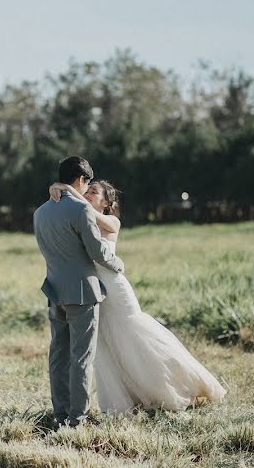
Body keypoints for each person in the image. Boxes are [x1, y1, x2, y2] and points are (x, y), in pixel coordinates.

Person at [49, 179, 226, 415]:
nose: (88, 195)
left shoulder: (112, 222)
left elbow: (85, 210)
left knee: (136, 337)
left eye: (94, 192)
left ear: (106, 202)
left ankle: (177, 386)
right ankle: (129, 400)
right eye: (87, 190)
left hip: (115, 288)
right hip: (95, 291)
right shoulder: (84, 222)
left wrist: (68, 189)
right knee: (109, 345)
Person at [33, 157, 125, 427]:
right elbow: (97, 251)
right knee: (81, 357)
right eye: (87, 184)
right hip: (83, 293)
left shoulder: (39, 213)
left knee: (58, 356)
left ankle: (60, 413)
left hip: (53, 290)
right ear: (81, 180)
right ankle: (77, 418)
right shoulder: (80, 211)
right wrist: (117, 263)